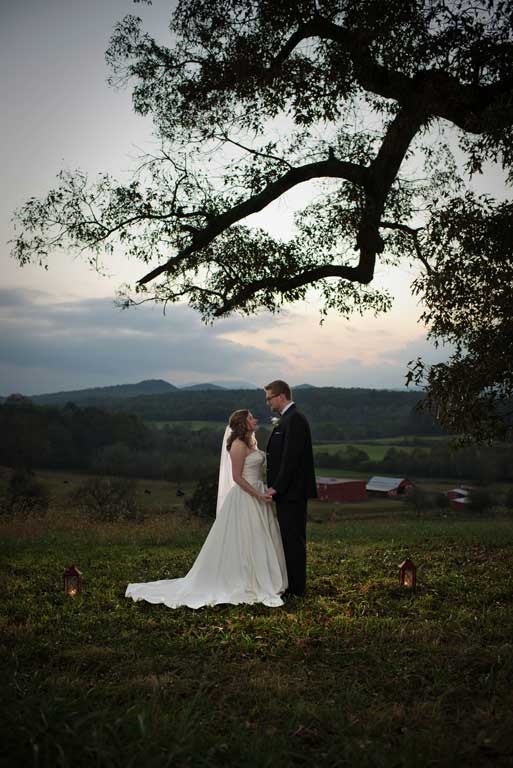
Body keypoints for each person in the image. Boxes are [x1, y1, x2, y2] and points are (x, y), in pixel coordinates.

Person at [125, 409, 287, 609]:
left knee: (260, 536)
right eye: (251, 417)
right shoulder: (237, 445)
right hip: (247, 496)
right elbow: (237, 477)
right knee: (247, 537)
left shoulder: (251, 442)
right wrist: (257, 495)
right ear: (243, 423)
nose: (255, 419)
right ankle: (247, 579)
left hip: (259, 492)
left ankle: (264, 576)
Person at [265, 380, 317, 597]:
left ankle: (297, 590)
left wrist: (276, 487)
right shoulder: (287, 419)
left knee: (293, 541)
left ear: (281, 396)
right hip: (288, 493)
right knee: (288, 540)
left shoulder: (294, 420)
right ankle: (292, 586)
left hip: (292, 493)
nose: (267, 403)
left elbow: (291, 459)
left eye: (269, 398)